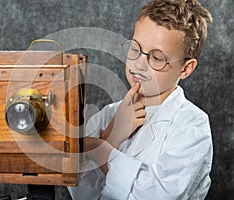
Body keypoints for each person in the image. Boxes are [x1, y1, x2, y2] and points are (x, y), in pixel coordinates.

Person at [68, 0, 213, 199]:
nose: (139, 64)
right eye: (135, 49)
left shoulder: (191, 126)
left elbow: (155, 195)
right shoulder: (109, 114)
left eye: (156, 58)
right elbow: (80, 191)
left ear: (186, 68)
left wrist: (99, 147)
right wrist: (112, 134)